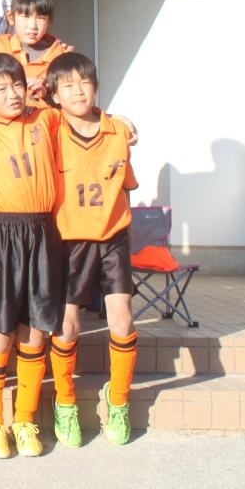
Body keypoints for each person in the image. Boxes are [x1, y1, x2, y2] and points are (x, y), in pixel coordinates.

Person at [0, 53, 63, 459]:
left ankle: (24, 419)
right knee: (0, 330)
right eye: (1, 89)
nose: (13, 95)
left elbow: (84, 115)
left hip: (42, 232)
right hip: (1, 235)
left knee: (36, 330)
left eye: (18, 85)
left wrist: (122, 122)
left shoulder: (45, 121)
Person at [44, 52, 138, 448]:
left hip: (112, 237)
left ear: (96, 87)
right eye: (67, 86)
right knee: (67, 327)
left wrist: (121, 120)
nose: (78, 91)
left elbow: (126, 186)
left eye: (84, 83)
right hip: (69, 240)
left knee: (123, 322)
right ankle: (65, 402)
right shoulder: (49, 128)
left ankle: (119, 400)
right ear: (54, 95)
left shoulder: (118, 131)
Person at [0, 0, 70, 106]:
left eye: (41, 18)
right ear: (11, 17)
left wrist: (45, 93)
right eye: (25, 16)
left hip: (44, 116)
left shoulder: (61, 55)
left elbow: (68, 100)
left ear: (49, 22)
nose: (32, 26)